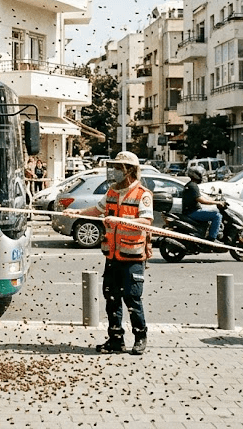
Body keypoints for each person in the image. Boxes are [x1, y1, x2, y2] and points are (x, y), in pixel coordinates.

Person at [69, 150, 153, 356]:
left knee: (132, 299)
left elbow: (146, 222)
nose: (114, 171)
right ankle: (116, 340)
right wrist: (77, 212)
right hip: (112, 256)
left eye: (118, 168)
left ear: (129, 171)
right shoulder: (112, 193)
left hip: (132, 256)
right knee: (111, 298)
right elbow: (97, 210)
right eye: (113, 167)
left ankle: (140, 337)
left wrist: (122, 221)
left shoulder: (142, 194)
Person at [182, 167, 222, 241]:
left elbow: (201, 197)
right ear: (195, 175)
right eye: (201, 175)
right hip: (193, 212)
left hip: (190, 211)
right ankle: (212, 238)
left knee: (210, 213)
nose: (202, 177)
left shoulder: (190, 185)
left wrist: (214, 199)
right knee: (217, 216)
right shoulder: (193, 186)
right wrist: (217, 202)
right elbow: (201, 200)